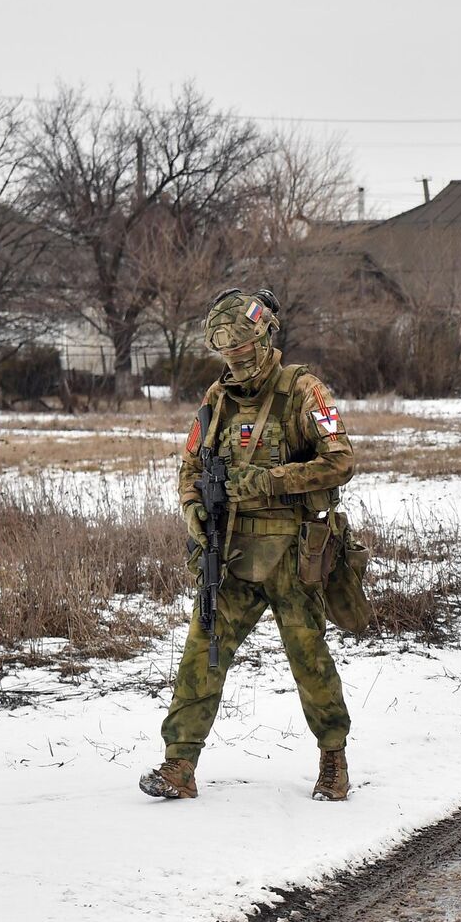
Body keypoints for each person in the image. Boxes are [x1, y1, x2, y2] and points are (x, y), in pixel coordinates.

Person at [140, 288, 356, 802]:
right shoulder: (216, 401)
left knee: (308, 656)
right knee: (202, 653)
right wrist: (193, 511)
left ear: (264, 340)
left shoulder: (303, 391)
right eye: (227, 356)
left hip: (294, 552)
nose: (236, 364)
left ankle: (333, 760)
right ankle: (179, 765)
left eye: (243, 353)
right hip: (232, 552)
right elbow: (190, 468)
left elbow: (341, 461)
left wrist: (271, 480)